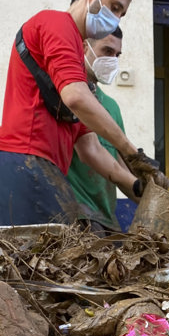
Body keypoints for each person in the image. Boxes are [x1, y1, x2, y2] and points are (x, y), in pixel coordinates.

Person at [0, 0, 166, 227]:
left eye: (122, 14)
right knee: (39, 266)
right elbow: (76, 98)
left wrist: (139, 187)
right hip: (24, 161)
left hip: (44, 169)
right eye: (114, 7)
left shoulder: (76, 60)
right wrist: (132, 154)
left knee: (52, 265)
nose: (115, 19)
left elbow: (90, 149)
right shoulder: (56, 24)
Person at [65, 28, 131, 231]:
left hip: (107, 218)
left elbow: (120, 163)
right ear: (85, 47)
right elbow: (89, 151)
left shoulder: (111, 108)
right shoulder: (69, 97)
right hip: (76, 218)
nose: (113, 60)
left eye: (117, 55)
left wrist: (154, 195)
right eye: (107, 51)